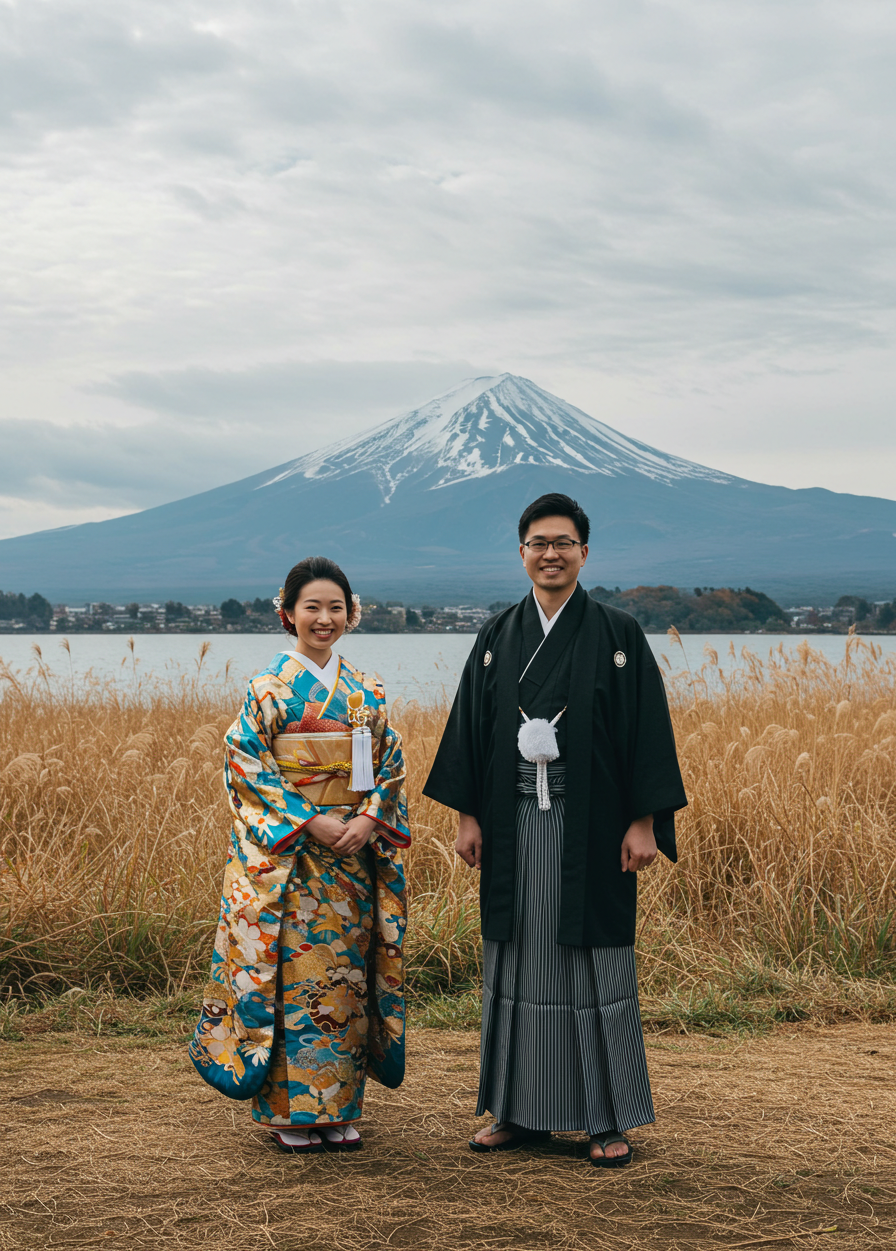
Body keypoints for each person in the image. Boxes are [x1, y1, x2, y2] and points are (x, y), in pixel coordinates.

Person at [423, 493, 686, 1167]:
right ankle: (520, 1112)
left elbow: (647, 733)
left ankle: (605, 1118)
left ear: (584, 553)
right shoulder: (496, 637)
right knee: (518, 965)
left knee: (594, 965)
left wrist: (644, 821)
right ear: (521, 553)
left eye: (563, 542)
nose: (550, 554)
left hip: (593, 828)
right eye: (538, 543)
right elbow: (471, 735)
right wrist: (468, 815)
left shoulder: (619, 633)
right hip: (513, 826)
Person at [189, 556, 410, 1154]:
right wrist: (309, 817)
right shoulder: (267, 690)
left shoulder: (367, 693)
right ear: (287, 614)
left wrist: (368, 818)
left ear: (351, 614)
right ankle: (290, 1112)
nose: (324, 618)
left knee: (344, 979)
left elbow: (390, 765)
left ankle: (338, 1108)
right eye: (311, 606)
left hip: (351, 858)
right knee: (291, 976)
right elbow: (245, 765)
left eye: (336, 607)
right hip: (293, 859)